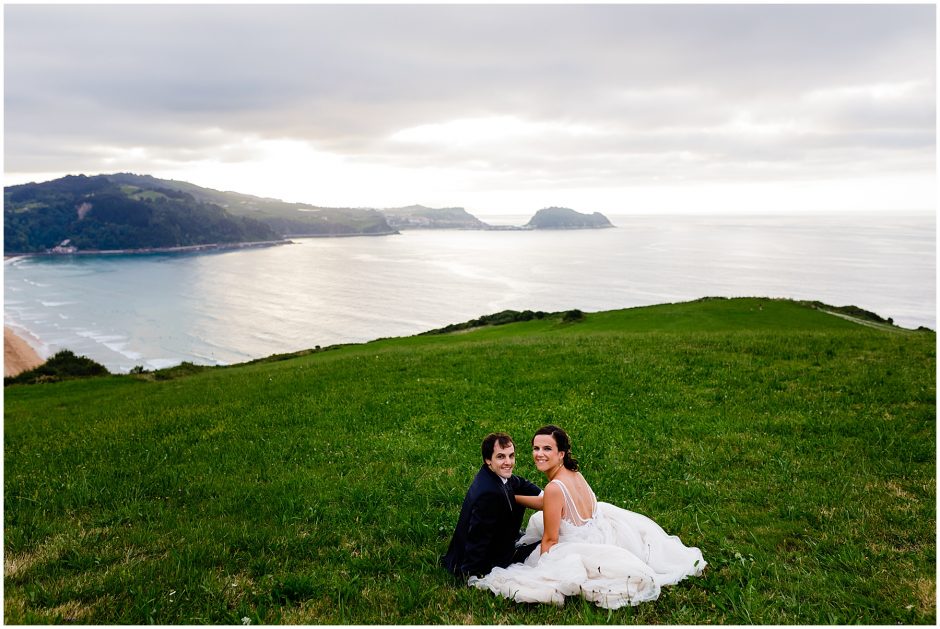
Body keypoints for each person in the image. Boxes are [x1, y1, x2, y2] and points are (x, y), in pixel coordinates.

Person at [469, 425, 706, 609]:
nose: (539, 454)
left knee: (531, 545)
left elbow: (550, 540)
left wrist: (541, 568)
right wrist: (513, 497)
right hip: (598, 531)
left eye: (547, 449)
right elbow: (549, 504)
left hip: (577, 542)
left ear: (561, 453)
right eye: (536, 448)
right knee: (537, 521)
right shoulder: (574, 474)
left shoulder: (554, 488)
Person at [441, 432, 544, 580]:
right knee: (549, 547)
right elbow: (478, 537)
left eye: (511, 456)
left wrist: (543, 494)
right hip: (490, 560)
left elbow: (519, 482)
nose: (508, 462)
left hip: (503, 541)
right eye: (501, 456)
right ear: (488, 459)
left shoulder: (493, 475)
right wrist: (470, 574)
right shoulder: (489, 494)